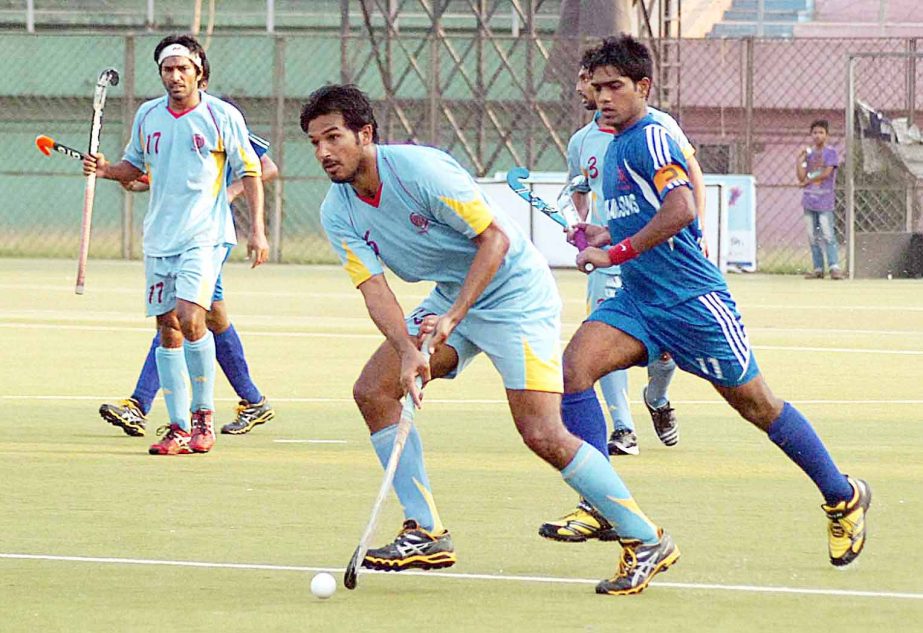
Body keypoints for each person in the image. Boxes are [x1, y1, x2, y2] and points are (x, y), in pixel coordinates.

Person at [302, 83, 677, 596]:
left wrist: (453, 317)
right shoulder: (337, 209)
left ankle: (645, 537)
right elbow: (375, 290)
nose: (324, 152)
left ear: (365, 134)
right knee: (375, 389)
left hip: (515, 292)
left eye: (333, 137)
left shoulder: (420, 171)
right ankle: (426, 531)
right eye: (314, 142)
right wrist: (410, 351)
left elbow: (495, 238)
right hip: (454, 295)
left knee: (541, 432)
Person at [565, 35, 869, 571]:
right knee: (575, 368)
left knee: (758, 406)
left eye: (616, 86)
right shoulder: (614, 144)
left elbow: (681, 209)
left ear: (643, 87)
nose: (604, 96)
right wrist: (600, 230)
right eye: (598, 87)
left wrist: (613, 253)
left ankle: (842, 496)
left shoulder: (651, 138)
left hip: (692, 303)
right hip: (641, 302)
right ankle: (602, 503)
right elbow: (643, 213)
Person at [83, 33, 269, 455]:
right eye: (168, 69)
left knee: (190, 318)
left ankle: (204, 418)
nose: (175, 76)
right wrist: (106, 169)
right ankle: (178, 425)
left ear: (198, 71)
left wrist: (257, 230)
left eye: (183, 68)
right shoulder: (148, 115)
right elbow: (134, 166)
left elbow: (254, 170)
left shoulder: (222, 115)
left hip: (205, 235)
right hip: (160, 238)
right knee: (167, 328)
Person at [796, 119, 843, 280]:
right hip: (810, 200)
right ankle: (818, 268)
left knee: (827, 234)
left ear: (827, 135)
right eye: (815, 132)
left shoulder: (831, 153)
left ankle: (834, 267)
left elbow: (826, 173)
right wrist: (800, 160)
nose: (817, 135)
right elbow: (801, 176)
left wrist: (808, 180)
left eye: (821, 132)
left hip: (824, 200)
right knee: (812, 235)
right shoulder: (809, 154)